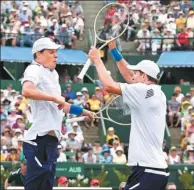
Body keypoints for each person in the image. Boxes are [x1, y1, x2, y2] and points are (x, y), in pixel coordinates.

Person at [88, 40, 169, 190]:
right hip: (152, 170)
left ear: (144, 76)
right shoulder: (156, 92)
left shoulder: (143, 91)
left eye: (136, 74)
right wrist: (114, 50)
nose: (132, 76)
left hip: (148, 170)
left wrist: (97, 60)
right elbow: (128, 74)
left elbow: (109, 86)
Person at [21, 37, 95, 190]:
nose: (56, 55)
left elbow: (61, 105)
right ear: (38, 54)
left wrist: (84, 111)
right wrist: (54, 97)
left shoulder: (53, 75)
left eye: (56, 52)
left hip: (51, 142)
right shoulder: (34, 69)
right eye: (51, 52)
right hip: (37, 140)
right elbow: (27, 90)